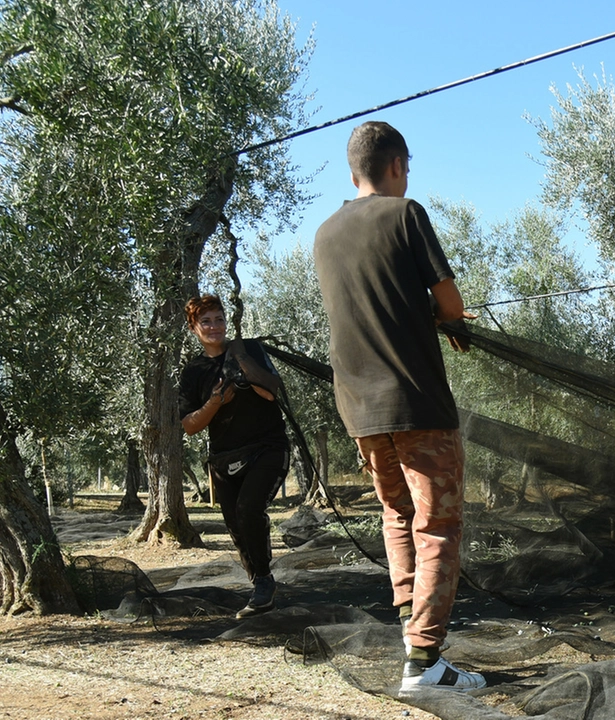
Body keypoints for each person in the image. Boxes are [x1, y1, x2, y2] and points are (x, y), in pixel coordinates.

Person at [313, 121, 485, 695]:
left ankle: (413, 639)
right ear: (394, 166)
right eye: (406, 167)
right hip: (417, 403)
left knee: (398, 517)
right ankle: (425, 662)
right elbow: (451, 301)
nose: (407, 176)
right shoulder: (405, 213)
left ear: (351, 170)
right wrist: (450, 321)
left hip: (359, 411)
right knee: (437, 525)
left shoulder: (323, 234)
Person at [178, 294, 289, 620]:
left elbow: (271, 390)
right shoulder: (194, 371)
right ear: (194, 328)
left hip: (269, 447)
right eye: (206, 321)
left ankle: (264, 583)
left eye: (219, 319)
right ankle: (260, 588)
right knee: (236, 525)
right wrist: (214, 402)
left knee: (248, 508)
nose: (214, 326)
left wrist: (243, 362)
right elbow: (189, 426)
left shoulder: (249, 349)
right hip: (225, 459)